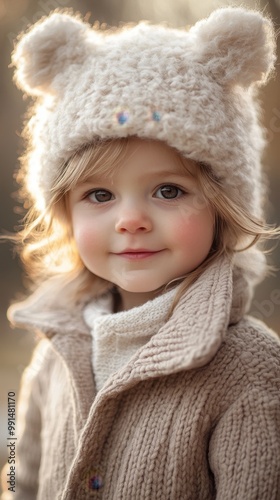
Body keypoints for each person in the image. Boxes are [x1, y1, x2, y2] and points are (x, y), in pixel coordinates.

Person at [1, 6, 280, 500]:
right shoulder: (56, 352)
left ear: (224, 206)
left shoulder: (250, 373)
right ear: (65, 212)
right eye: (100, 196)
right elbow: (20, 480)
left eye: (168, 191)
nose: (131, 220)